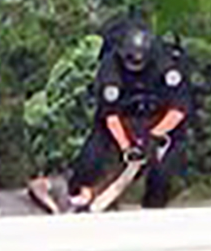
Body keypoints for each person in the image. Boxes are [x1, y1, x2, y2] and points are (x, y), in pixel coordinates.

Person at [67, 18, 194, 210]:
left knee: (162, 173)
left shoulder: (166, 66)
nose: (134, 64)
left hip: (162, 122)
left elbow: (179, 109)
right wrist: (127, 147)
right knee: (91, 157)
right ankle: (78, 194)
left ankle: (153, 209)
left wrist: (153, 136)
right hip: (122, 118)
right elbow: (110, 115)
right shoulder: (110, 66)